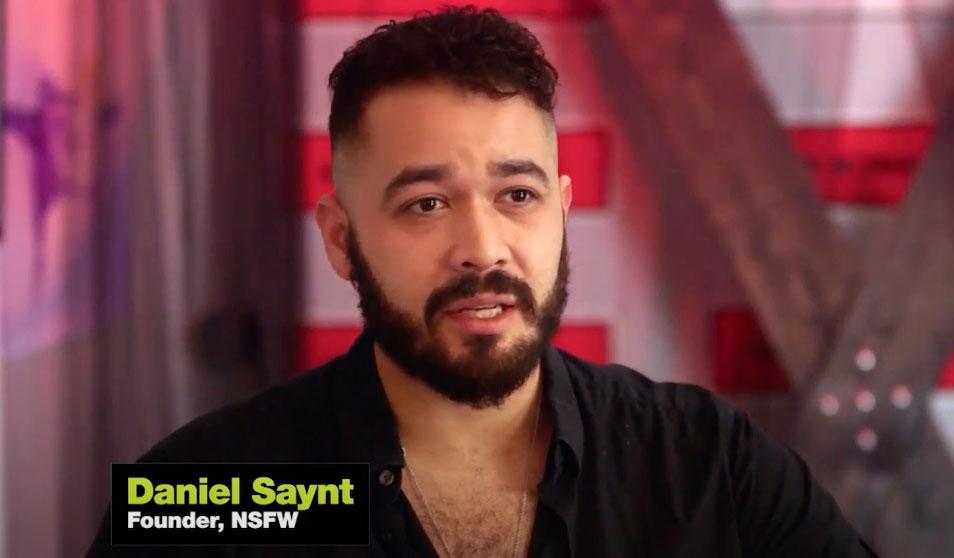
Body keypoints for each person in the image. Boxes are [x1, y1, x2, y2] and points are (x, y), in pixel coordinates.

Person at [88, 6, 877, 557]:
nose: (482, 248)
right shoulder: (209, 492)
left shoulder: (708, 466)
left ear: (561, 212)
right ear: (341, 239)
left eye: (518, 196)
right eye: (426, 204)